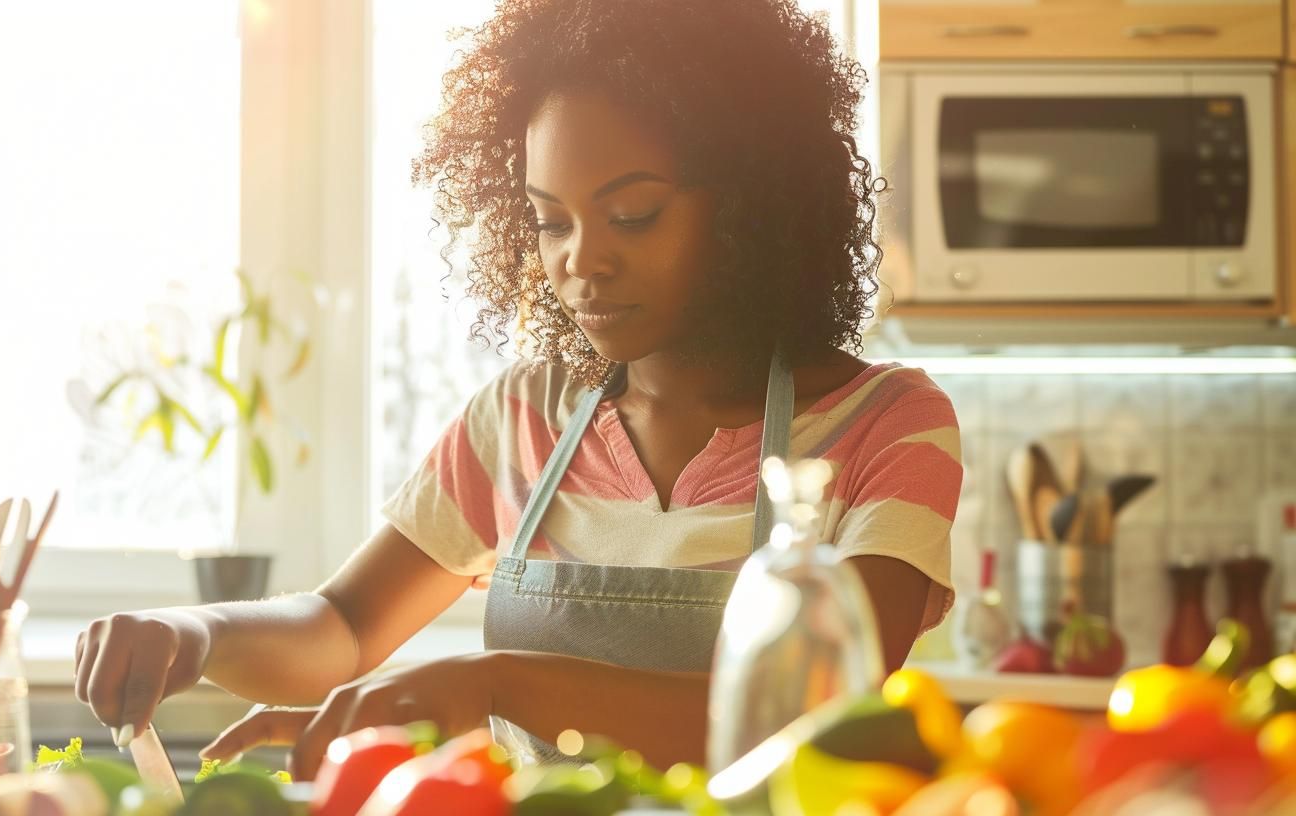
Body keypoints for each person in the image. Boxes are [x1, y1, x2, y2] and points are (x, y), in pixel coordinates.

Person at [73, 0, 962, 778]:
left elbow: (813, 713)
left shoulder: (887, 428)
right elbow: (341, 626)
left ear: (751, 204)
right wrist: (194, 635)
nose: (582, 260)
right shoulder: (526, 416)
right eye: (549, 220)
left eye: (632, 215)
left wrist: (496, 684)